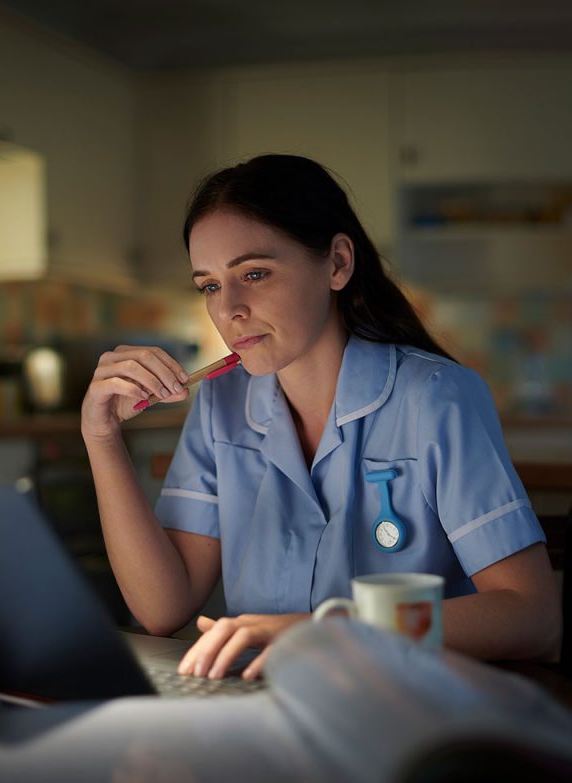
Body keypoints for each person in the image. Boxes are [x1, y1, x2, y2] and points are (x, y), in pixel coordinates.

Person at [80, 153, 561, 681]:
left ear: (337, 263)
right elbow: (161, 609)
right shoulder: (219, 405)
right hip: (269, 714)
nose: (228, 310)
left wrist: (331, 631)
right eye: (210, 285)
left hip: (410, 720)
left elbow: (532, 616)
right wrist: (100, 436)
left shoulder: (436, 397)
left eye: (255, 273)